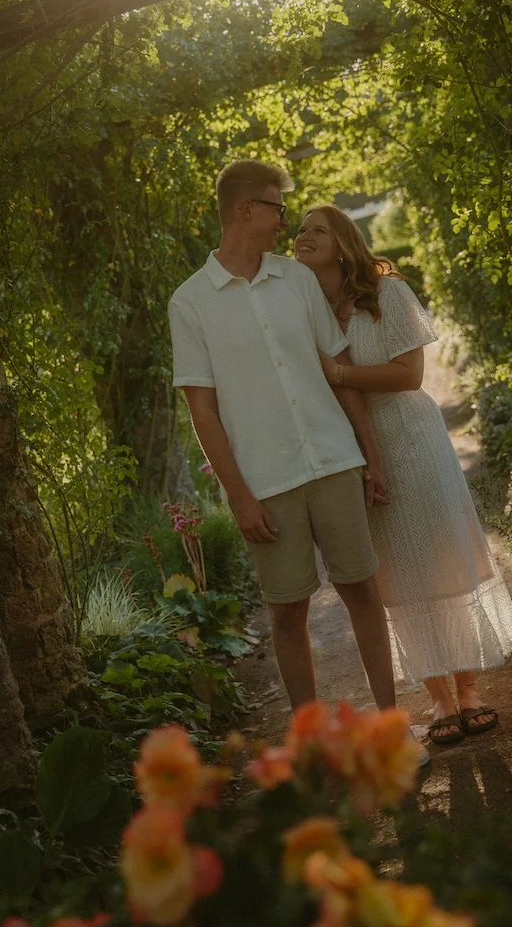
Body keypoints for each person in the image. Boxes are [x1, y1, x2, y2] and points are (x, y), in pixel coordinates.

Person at [169, 161, 411, 735]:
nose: (285, 222)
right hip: (266, 482)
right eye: (278, 208)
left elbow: (341, 372)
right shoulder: (190, 303)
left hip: (333, 459)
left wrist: (371, 457)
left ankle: (393, 730)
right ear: (245, 210)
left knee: (363, 594)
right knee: (287, 613)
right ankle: (314, 748)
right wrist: (239, 496)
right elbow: (201, 408)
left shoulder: (297, 281)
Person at [294, 204, 512, 743]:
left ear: (343, 240)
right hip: (354, 447)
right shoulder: (305, 312)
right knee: (394, 575)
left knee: (443, 558)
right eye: (299, 230)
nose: (303, 236)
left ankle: (468, 689)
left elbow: (409, 374)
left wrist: (342, 372)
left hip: (413, 437)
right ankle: (440, 698)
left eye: (316, 229)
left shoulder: (387, 294)